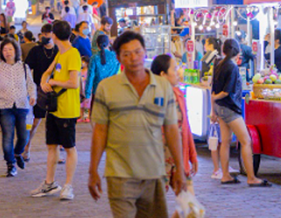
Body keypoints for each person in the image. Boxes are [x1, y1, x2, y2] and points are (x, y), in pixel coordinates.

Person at [88, 31, 184, 217]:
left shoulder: (163, 87)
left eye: (138, 52)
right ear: (118, 58)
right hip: (119, 174)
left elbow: (172, 130)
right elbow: (100, 131)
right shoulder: (107, 88)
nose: (133, 58)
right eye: (127, 54)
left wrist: (180, 169)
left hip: (154, 173)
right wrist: (93, 171)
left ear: (145, 52)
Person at [32, 20, 81, 201]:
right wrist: (45, 82)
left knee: (69, 147)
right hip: (54, 108)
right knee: (51, 146)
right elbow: (47, 71)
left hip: (67, 108)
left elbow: (74, 83)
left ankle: (68, 186)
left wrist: (53, 82)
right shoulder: (60, 54)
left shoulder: (73, 54)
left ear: (54, 35)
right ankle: (49, 183)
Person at [212, 39, 271, 187]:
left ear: (224, 50)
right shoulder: (232, 67)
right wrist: (216, 97)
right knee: (246, 141)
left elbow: (213, 87)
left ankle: (225, 175)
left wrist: (214, 105)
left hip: (221, 108)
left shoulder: (219, 64)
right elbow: (227, 91)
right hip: (230, 109)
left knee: (224, 142)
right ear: (238, 52)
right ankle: (251, 177)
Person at [150, 54, 198, 198]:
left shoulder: (178, 94)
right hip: (157, 160)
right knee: (155, 208)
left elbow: (186, 127)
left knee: (189, 206)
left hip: (179, 158)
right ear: (163, 75)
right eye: (174, 68)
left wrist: (192, 156)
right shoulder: (152, 97)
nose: (178, 72)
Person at [0, 37, 37, 177]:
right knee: (7, 137)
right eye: (4, 50)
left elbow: (30, 84)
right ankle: (10, 164)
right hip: (4, 107)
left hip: (22, 105)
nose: (8, 52)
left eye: (10, 49)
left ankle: (17, 153)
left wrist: (33, 95)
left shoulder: (24, 67)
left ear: (16, 51)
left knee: (24, 136)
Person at [23, 24, 58, 162]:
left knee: (57, 121)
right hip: (39, 90)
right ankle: (26, 147)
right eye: (44, 33)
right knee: (35, 121)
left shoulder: (58, 51)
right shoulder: (36, 50)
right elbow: (26, 68)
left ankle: (58, 150)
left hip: (56, 90)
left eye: (49, 33)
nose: (46, 36)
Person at [84, 34, 120, 105]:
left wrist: (87, 95)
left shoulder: (94, 58)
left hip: (97, 92)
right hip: (112, 92)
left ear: (97, 45)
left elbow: (90, 77)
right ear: (108, 43)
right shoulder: (116, 57)